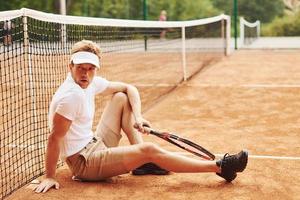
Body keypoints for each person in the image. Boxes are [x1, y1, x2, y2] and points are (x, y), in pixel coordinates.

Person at [34, 40, 248, 193]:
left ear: (96, 68)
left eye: (91, 69)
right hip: (84, 163)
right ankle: (220, 166)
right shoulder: (70, 96)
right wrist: (50, 175)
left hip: (94, 142)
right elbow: (54, 138)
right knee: (150, 150)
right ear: (70, 66)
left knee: (120, 97)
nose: (85, 74)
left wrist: (138, 117)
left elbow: (129, 88)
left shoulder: (90, 82)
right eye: (81, 68)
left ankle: (143, 164)